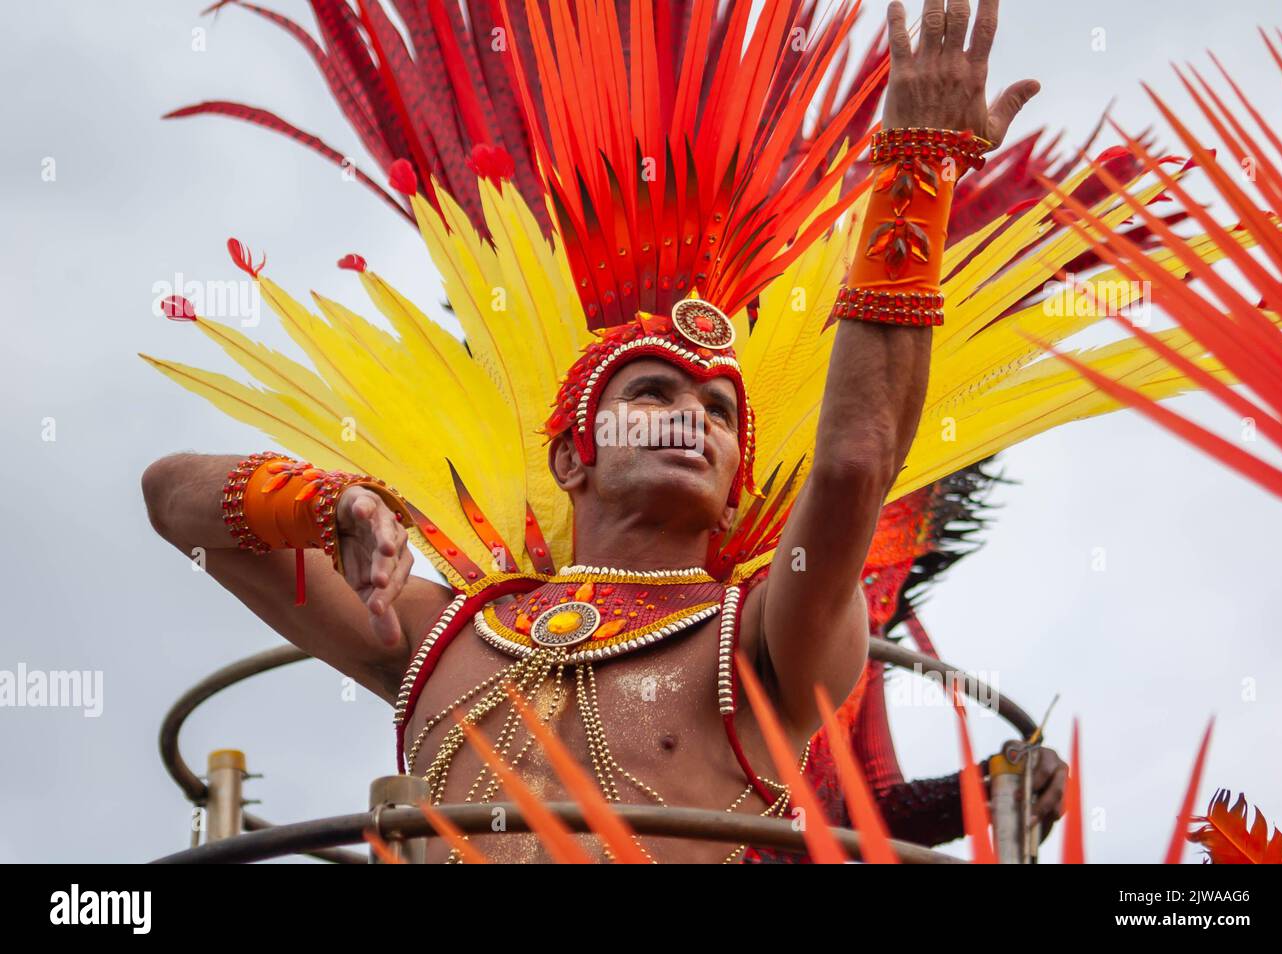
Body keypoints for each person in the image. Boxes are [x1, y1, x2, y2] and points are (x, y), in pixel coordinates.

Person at [144, 0, 1065, 862]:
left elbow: (856, 460)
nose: (692, 419)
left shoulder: (760, 639)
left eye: (718, 413)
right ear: (568, 454)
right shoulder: (434, 632)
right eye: (654, 392)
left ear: (738, 476)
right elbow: (170, 498)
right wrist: (323, 503)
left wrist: (914, 170)